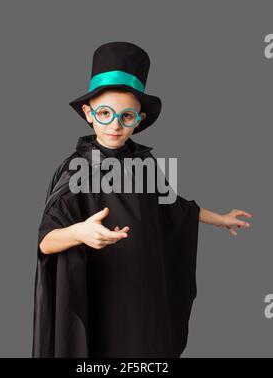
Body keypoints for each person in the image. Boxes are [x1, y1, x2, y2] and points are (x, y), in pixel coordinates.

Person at [32, 41, 252, 358]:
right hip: (100, 297)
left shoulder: (145, 163)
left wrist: (220, 218)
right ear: (88, 114)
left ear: (139, 118)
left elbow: (176, 208)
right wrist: (80, 232)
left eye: (126, 115)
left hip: (145, 293)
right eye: (105, 113)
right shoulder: (75, 172)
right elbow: (46, 240)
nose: (115, 125)